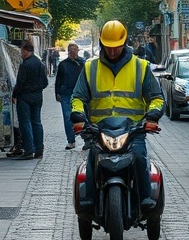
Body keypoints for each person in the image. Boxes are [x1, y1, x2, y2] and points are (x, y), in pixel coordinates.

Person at [70, 20, 165, 209]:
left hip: (133, 130)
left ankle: (146, 198)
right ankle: (88, 201)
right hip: (100, 129)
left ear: (125, 43)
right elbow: (78, 97)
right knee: (92, 160)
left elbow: (156, 97)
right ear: (101, 43)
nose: (112, 51)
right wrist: (78, 115)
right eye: (108, 47)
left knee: (139, 156)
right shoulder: (90, 67)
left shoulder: (141, 66)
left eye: (117, 47)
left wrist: (153, 114)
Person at [10, 40, 48, 159]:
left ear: (26, 51)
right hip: (37, 96)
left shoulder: (24, 65)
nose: (21, 53)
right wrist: (36, 89)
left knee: (25, 122)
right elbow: (45, 82)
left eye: (22, 51)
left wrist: (14, 95)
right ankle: (39, 149)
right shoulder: (39, 63)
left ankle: (29, 149)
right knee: (37, 122)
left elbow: (20, 83)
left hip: (24, 97)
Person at [54, 43, 85, 150]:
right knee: (68, 118)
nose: (73, 52)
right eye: (71, 50)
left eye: (75, 50)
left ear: (78, 50)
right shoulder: (63, 65)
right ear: (68, 51)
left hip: (80, 94)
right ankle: (71, 140)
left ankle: (86, 139)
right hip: (66, 93)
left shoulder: (83, 63)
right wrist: (57, 93)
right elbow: (58, 79)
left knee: (82, 117)